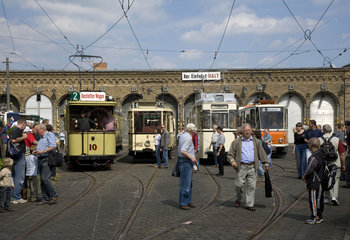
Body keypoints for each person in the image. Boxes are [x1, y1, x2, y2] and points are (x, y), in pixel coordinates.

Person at [227, 123, 269, 211]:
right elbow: (230, 154)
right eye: (245, 130)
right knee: (239, 185)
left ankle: (250, 204)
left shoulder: (255, 141)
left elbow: (261, 153)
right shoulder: (237, 142)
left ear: (251, 131)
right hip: (241, 167)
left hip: (252, 167)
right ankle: (238, 199)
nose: (247, 132)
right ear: (242, 131)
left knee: (252, 186)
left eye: (248, 130)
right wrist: (232, 161)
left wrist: (265, 163)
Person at [319, 124, 345, 206]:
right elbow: (342, 153)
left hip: (324, 164)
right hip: (335, 163)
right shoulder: (337, 139)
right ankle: (334, 197)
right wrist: (343, 164)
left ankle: (326, 198)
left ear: (323, 130)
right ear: (331, 131)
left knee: (324, 180)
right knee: (335, 180)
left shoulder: (319, 140)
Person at [34, 124, 58, 205]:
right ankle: (45, 198)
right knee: (42, 179)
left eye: (37, 130)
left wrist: (43, 151)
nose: (36, 132)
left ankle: (54, 195)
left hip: (46, 159)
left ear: (41, 129)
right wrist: (36, 151)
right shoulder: (41, 138)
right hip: (40, 159)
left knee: (45, 178)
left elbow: (53, 146)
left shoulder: (49, 135)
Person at [303, 137, 325, 224]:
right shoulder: (321, 154)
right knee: (319, 199)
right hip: (320, 181)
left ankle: (315, 217)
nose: (308, 145)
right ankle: (319, 216)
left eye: (309, 144)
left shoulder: (314, 157)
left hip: (314, 182)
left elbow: (309, 169)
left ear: (311, 145)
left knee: (313, 200)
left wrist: (304, 176)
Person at [177, 123, 198, 210]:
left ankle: (188, 200)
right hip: (186, 162)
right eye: (193, 131)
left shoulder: (182, 135)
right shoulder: (188, 138)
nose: (194, 132)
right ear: (191, 130)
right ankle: (184, 202)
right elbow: (183, 150)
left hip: (184, 161)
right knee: (186, 183)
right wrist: (192, 158)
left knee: (189, 183)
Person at [9, 118, 28, 204]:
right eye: (26, 125)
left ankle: (13, 196)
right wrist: (24, 137)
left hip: (14, 156)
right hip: (18, 156)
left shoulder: (14, 130)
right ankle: (16, 197)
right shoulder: (18, 130)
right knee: (20, 177)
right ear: (23, 124)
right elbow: (13, 140)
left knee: (14, 176)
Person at [23, 126, 38, 202]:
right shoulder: (30, 135)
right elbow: (35, 143)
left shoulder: (28, 135)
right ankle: (33, 195)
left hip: (27, 158)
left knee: (28, 178)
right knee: (32, 178)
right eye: (36, 130)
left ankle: (28, 195)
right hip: (29, 159)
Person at [344, 120, 350, 188]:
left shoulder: (349, 132)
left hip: (349, 152)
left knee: (348, 167)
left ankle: (348, 183)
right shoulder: (348, 131)